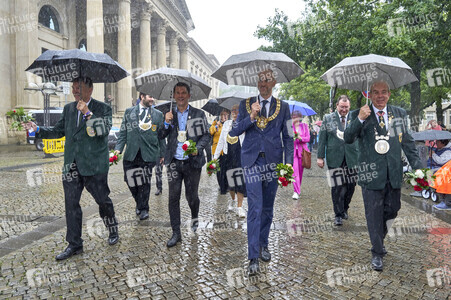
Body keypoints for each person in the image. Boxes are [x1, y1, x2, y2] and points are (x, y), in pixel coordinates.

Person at [24, 77, 119, 260]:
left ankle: (112, 228)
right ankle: (74, 244)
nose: (75, 91)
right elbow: (58, 130)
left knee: (102, 201)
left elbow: (103, 132)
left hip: (94, 166)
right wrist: (37, 130)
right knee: (71, 206)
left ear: (90, 90)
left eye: (79, 88)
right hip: (71, 166)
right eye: (74, 88)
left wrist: (88, 113)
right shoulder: (68, 109)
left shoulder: (103, 108)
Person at [344, 81, 421, 271]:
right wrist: (360, 119)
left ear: (389, 93)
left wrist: (419, 167)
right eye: (376, 92)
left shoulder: (399, 113)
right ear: (369, 94)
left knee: (393, 209)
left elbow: (408, 143)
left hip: (393, 173)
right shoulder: (359, 113)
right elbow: (348, 137)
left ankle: (379, 238)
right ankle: (377, 251)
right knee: (373, 214)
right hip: (370, 174)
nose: (380, 96)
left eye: (384, 92)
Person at [229, 69, 293, 275]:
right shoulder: (246, 104)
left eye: (267, 80)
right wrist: (251, 116)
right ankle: (253, 256)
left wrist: (288, 164)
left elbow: (289, 137)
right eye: (260, 80)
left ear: (274, 82)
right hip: (252, 162)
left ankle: (264, 243)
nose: (263, 83)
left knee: (267, 207)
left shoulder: (284, 107)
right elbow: (234, 130)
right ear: (257, 83)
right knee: (255, 207)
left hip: (274, 163)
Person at [161, 82, 211, 247]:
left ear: (189, 95)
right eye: (177, 93)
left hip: (192, 162)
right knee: (173, 198)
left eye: (183, 92)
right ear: (174, 95)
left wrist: (197, 148)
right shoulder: (169, 114)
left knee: (191, 197)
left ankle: (194, 216)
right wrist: (166, 123)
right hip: (174, 162)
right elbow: (160, 135)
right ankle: (176, 233)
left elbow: (206, 136)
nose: (180, 95)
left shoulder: (198, 114)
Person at [114, 93, 165, 220]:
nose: (152, 99)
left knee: (144, 182)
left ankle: (143, 209)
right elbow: (123, 132)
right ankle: (139, 202)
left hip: (148, 153)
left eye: (153, 97)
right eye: (150, 96)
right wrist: (118, 150)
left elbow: (161, 137)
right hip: (131, 153)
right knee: (130, 180)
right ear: (142, 96)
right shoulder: (129, 112)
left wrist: (162, 154)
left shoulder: (158, 115)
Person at [317, 95, 359, 225]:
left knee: (351, 186)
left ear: (349, 107)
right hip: (334, 157)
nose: (344, 110)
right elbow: (322, 138)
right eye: (342, 107)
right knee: (337, 187)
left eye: (346, 107)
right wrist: (320, 157)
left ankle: (345, 207)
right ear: (337, 106)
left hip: (352, 157)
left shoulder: (355, 118)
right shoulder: (328, 118)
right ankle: (338, 214)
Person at [214, 104, 246, 217]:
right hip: (228, 157)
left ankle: (240, 207)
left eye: (236, 110)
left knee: (240, 182)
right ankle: (232, 200)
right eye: (232, 110)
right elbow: (221, 142)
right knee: (230, 182)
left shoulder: (244, 123)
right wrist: (215, 157)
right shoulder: (227, 124)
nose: (234, 112)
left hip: (240, 156)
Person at [210, 109, 230, 195]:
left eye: (226, 115)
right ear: (220, 115)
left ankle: (226, 185)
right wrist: (216, 126)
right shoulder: (216, 123)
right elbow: (211, 131)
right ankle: (221, 185)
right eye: (223, 115)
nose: (224, 116)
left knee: (225, 168)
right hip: (216, 149)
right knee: (218, 170)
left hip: (225, 150)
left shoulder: (229, 124)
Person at [291, 111, 310, 200]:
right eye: (293, 117)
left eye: (296, 117)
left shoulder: (304, 126)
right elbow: (286, 138)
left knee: (300, 172)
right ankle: (296, 191)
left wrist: (300, 138)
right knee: (294, 172)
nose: (294, 118)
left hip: (302, 152)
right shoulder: (289, 126)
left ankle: (298, 188)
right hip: (293, 151)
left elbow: (308, 138)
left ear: (300, 117)